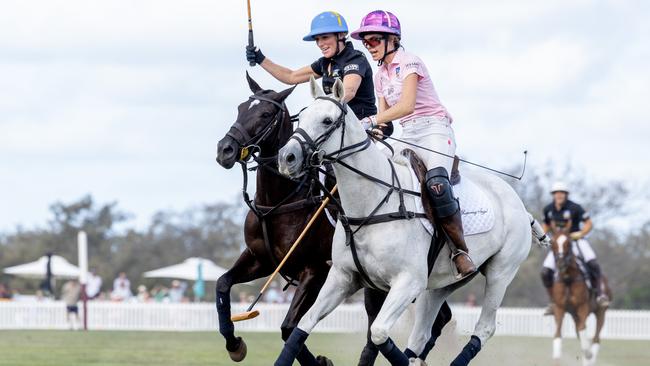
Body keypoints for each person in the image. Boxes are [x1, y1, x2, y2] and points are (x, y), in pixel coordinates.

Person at [350, 10, 476, 278]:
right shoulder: (380, 75)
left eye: (373, 40)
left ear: (391, 39)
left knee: (436, 184)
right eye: (366, 42)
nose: (369, 47)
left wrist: (369, 120)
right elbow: (385, 123)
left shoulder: (410, 62)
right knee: (371, 171)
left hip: (435, 130)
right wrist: (370, 134)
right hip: (407, 134)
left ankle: (459, 251)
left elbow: (406, 105)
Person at [246, 11, 377, 121]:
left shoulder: (355, 58)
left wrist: (316, 109)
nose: (320, 43)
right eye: (317, 39)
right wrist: (261, 59)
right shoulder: (324, 63)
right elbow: (290, 77)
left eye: (325, 37)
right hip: (337, 123)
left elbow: (348, 92)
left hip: (364, 126)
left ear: (341, 35)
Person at [540, 182, 610, 315]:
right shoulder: (548, 209)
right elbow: (546, 226)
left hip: (576, 241)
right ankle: (553, 301)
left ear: (566, 195)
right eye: (556, 193)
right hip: (560, 244)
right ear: (553, 195)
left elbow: (589, 223)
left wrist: (581, 233)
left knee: (593, 264)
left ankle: (600, 294)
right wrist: (542, 236)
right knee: (545, 272)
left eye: (562, 193)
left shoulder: (575, 207)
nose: (559, 195)